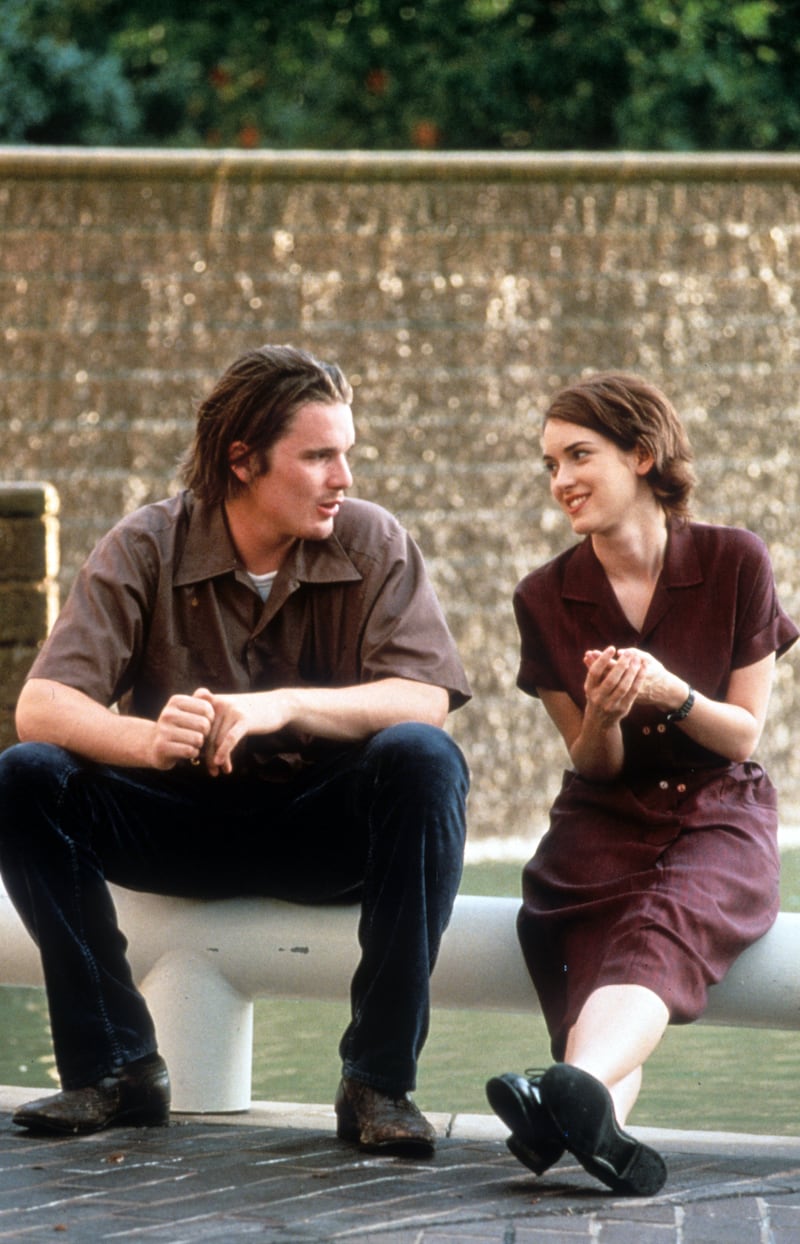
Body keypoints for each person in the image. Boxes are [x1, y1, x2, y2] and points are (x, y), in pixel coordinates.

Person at [0, 344, 471, 1156]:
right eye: (319, 456)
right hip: (177, 827)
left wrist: (279, 707)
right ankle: (114, 1069)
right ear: (243, 461)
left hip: (320, 836)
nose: (344, 478)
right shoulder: (144, 544)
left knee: (426, 758)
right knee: (25, 776)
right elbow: (40, 705)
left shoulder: (373, 541)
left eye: (346, 454)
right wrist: (145, 741)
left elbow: (424, 697)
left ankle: (378, 1081)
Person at [486, 371, 798, 1195]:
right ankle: (587, 1115)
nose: (560, 482)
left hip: (716, 809)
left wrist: (671, 693)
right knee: (592, 950)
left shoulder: (735, 560)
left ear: (644, 454)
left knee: (661, 925)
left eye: (579, 456)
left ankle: (565, 1101)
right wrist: (602, 718)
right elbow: (593, 763)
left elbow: (740, 734)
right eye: (549, 463)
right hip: (601, 816)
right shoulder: (543, 598)